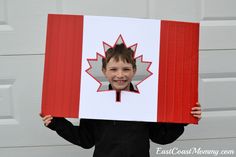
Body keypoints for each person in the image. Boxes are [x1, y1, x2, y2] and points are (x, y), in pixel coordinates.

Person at [41, 43, 202, 157]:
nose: (120, 75)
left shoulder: (146, 101)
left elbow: (161, 136)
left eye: (126, 69)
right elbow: (86, 140)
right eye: (113, 69)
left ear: (134, 70)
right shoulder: (94, 102)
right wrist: (57, 123)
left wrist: (183, 118)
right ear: (104, 71)